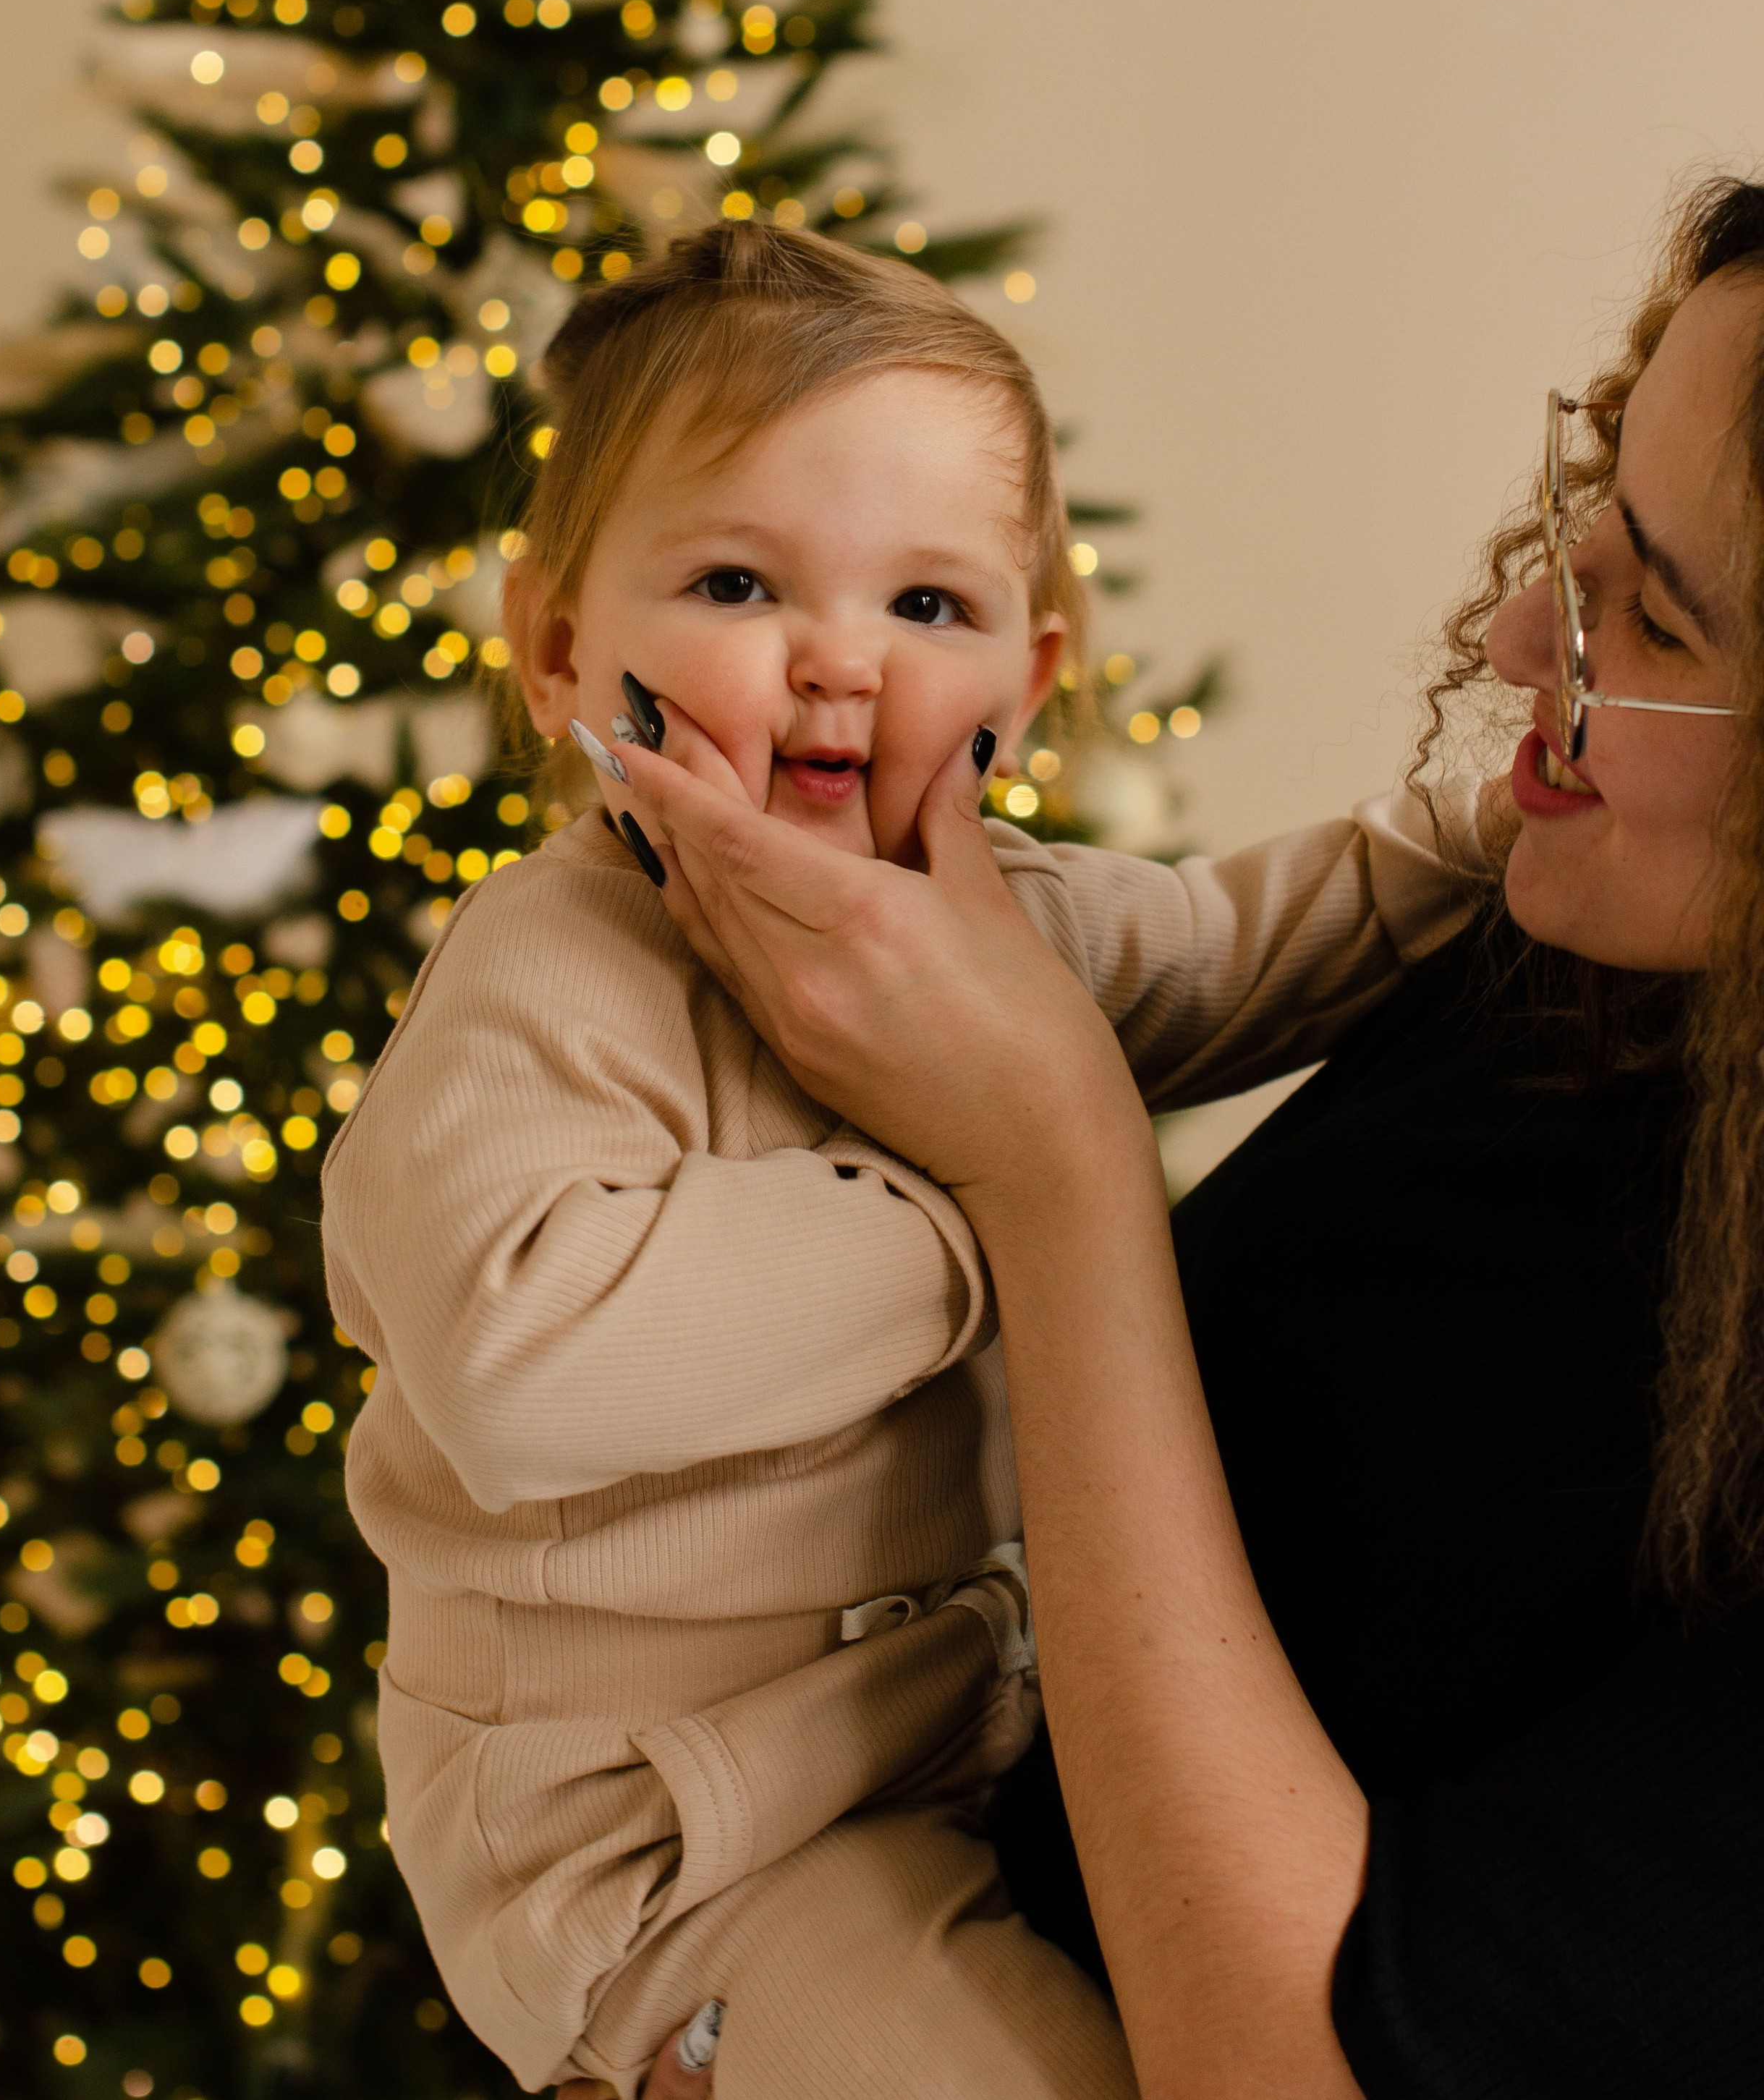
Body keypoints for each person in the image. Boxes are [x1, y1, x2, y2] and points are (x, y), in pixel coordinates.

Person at [613, 177, 1764, 2099]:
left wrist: (1060, 1173)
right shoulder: (1583, 960)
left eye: (1653, 615)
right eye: (1587, 517)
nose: (1515, 634)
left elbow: (1305, 2062)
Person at [319, 224, 1484, 2100]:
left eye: (929, 606)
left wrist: (1495, 830)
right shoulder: (549, 974)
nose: (839, 663)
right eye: (735, 583)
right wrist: (1000, 1180)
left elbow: (1250, 951)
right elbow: (523, 1370)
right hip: (660, 1849)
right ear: (556, 649)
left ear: (1034, 674)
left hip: (930, 1753)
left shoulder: (996, 925)